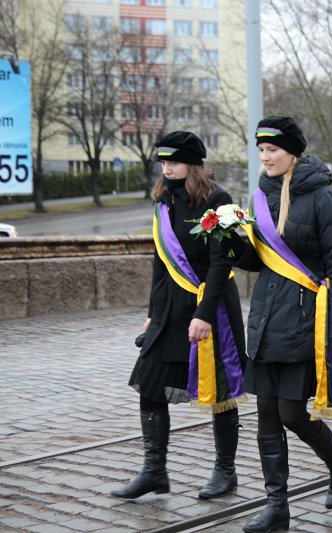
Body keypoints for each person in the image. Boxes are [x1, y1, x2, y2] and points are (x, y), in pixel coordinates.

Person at [221, 116, 332, 532]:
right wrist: (231, 242)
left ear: (292, 153)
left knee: (292, 414)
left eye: (273, 150)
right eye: (261, 150)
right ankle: (276, 506)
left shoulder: (321, 198)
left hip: (304, 319)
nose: (265, 157)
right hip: (265, 316)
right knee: (266, 411)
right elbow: (257, 260)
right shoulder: (259, 194)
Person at [111, 131, 247, 500]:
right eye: (164, 163)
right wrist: (153, 313)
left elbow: (222, 263)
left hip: (212, 305)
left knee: (220, 391)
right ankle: (155, 471)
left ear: (192, 164)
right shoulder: (163, 202)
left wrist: (204, 314)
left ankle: (226, 472)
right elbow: (160, 261)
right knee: (150, 383)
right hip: (170, 307)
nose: (167, 168)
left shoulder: (219, 200)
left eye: (174, 162)